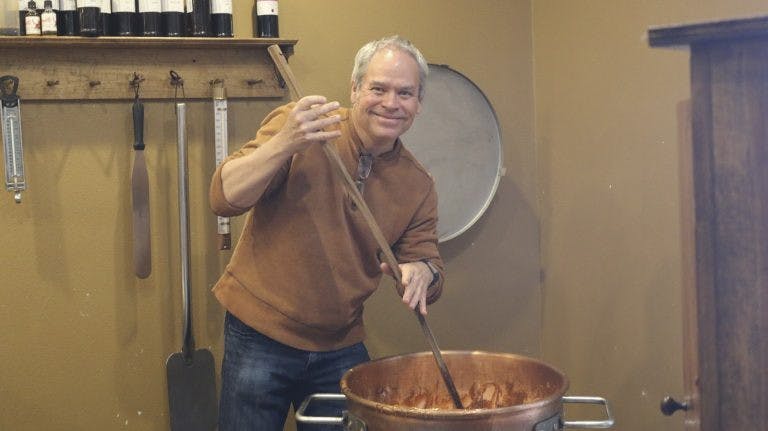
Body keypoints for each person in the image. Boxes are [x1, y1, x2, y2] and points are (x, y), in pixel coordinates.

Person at [209, 35, 445, 431]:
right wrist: (285, 143)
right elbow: (224, 197)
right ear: (354, 89)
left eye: (405, 93)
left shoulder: (418, 185)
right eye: (378, 88)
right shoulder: (302, 125)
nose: (391, 103)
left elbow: (429, 266)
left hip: (338, 342)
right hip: (259, 333)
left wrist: (423, 271)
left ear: (418, 103)